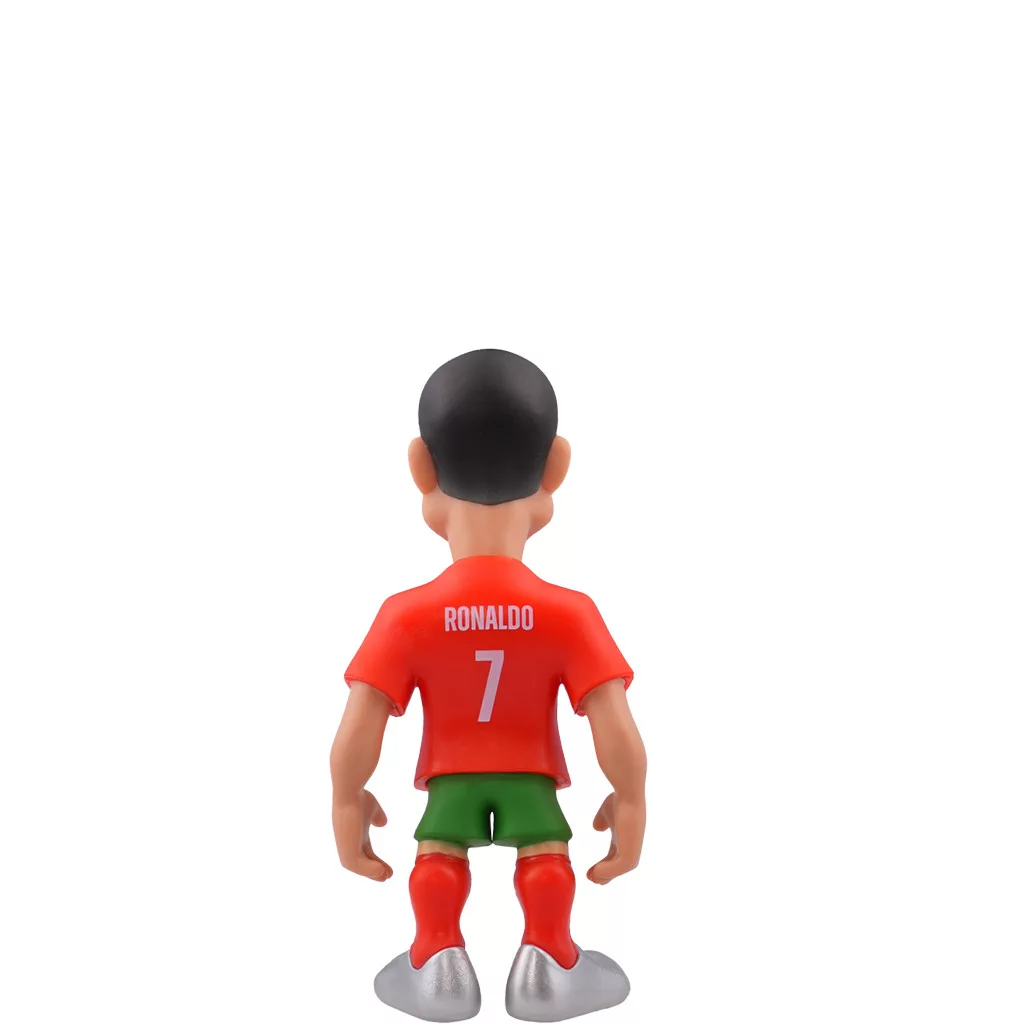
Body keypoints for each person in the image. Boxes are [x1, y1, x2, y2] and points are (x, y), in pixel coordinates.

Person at [330, 349, 647, 1022]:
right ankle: (549, 962)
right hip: (532, 776)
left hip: (452, 778)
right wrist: (630, 797)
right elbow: (613, 722)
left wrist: (346, 797)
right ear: (555, 468)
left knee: (438, 853)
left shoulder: (405, 615)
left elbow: (360, 724)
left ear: (421, 470)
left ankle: (437, 960)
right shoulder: (570, 614)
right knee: (546, 852)